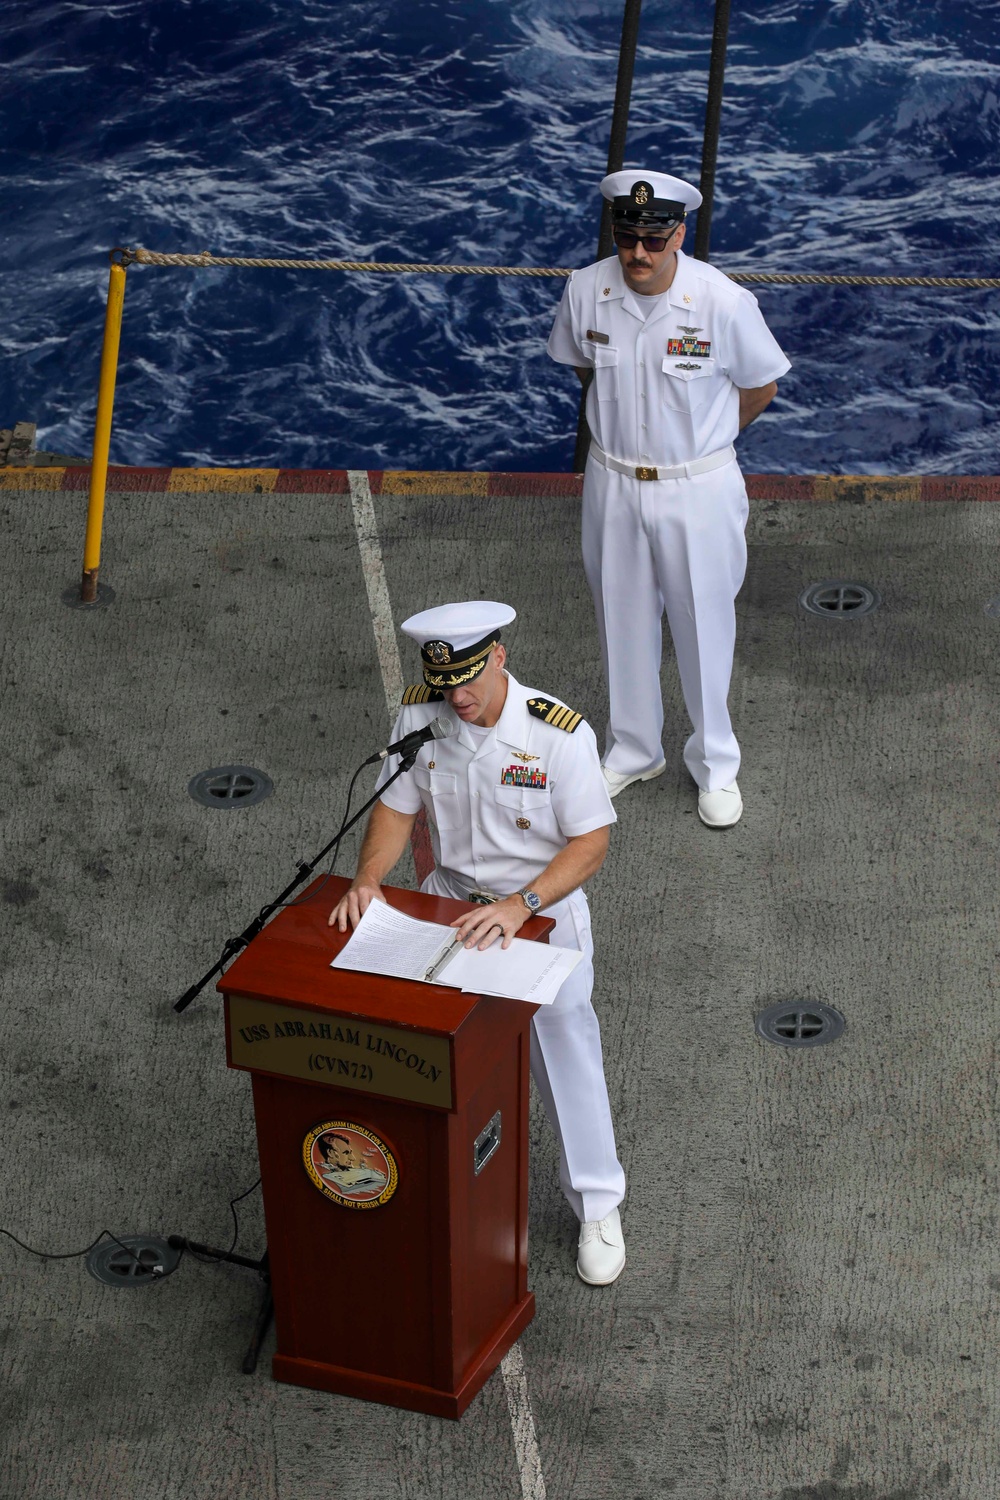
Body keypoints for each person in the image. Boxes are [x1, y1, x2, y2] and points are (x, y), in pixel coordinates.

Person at [328, 601, 627, 1285]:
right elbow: (396, 807)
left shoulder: (558, 733)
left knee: (564, 1050)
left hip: (537, 915)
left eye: (468, 680)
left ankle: (598, 1205)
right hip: (449, 908)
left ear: (498, 657)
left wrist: (522, 908)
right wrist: (369, 880)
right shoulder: (422, 717)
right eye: (445, 686)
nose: (457, 699)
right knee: (430, 1053)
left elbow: (592, 842)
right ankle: (438, 1195)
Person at [547, 169, 791, 827]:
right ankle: (632, 749)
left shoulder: (722, 302)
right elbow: (582, 367)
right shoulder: (584, 291)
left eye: (654, 240)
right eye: (627, 237)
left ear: (678, 234)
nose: (639, 254)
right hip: (614, 481)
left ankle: (715, 765)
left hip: (697, 489)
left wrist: (704, 448)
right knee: (618, 616)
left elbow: (761, 385)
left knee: (704, 625)